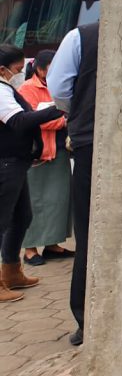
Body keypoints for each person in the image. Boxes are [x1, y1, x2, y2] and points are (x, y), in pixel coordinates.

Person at [0, 44, 64, 303]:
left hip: (16, 161)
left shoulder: (7, 88)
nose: (20, 73)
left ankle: (12, 271)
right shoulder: (2, 91)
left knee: (22, 216)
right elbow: (18, 121)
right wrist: (58, 108)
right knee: (2, 220)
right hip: (6, 163)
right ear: (3, 70)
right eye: (17, 69)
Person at [48, 21, 98, 347]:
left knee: (89, 229)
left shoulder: (81, 36)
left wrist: (81, 110)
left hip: (91, 141)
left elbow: (60, 91)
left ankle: (86, 320)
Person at [20, 50, 74, 266]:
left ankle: (52, 245)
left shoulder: (61, 85)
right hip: (38, 153)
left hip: (59, 150)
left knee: (58, 200)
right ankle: (30, 249)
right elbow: (32, 120)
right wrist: (62, 121)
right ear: (39, 68)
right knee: (35, 202)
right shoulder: (27, 89)